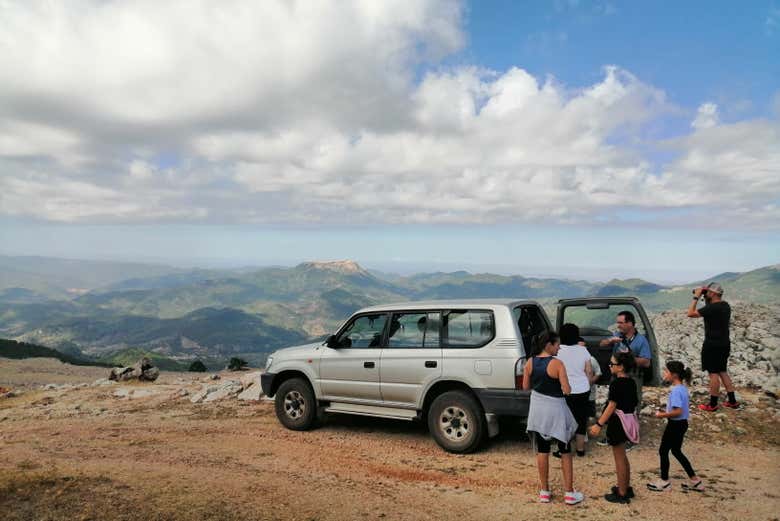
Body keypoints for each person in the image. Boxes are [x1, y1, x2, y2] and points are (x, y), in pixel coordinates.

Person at [522, 331, 584, 505]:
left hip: (538, 409)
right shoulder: (557, 363)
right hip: (556, 409)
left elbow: (525, 386)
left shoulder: (530, 362)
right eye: (557, 345)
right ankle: (569, 493)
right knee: (565, 450)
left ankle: (544, 491)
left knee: (542, 450)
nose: (559, 348)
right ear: (549, 345)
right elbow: (567, 389)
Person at [589, 351, 639, 504]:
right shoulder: (631, 382)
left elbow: (612, 405)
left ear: (621, 367)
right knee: (623, 456)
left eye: (612, 364)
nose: (610, 366)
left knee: (619, 458)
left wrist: (599, 424)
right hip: (628, 420)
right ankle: (626, 486)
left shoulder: (616, 383)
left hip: (617, 423)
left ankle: (621, 492)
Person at [647, 361, 704, 492]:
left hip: (675, 424)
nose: (664, 374)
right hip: (682, 424)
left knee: (663, 451)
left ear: (674, 375)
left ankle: (664, 482)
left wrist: (662, 415)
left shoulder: (676, 391)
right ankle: (695, 481)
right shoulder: (682, 388)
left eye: (666, 371)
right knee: (676, 451)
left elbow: (678, 411)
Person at [687, 282, 738, 411]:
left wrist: (696, 296)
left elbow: (690, 313)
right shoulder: (725, 305)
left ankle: (713, 404)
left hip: (712, 345)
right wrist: (706, 295)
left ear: (713, 293)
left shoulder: (712, 308)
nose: (706, 294)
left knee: (713, 374)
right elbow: (710, 308)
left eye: (708, 292)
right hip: (724, 343)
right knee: (722, 371)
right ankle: (732, 401)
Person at [553, 324, 593, 457]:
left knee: (564, 420)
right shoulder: (583, 350)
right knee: (581, 419)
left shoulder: (558, 351)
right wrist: (588, 384)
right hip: (583, 389)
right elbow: (589, 371)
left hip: (565, 390)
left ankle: (563, 448)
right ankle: (580, 449)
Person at [599, 310, 651, 405]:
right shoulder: (616, 335)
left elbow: (646, 362)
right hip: (616, 375)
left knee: (632, 403)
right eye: (617, 322)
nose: (618, 325)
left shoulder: (641, 340)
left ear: (630, 323)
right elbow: (601, 344)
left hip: (633, 376)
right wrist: (610, 341)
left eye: (620, 323)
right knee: (613, 401)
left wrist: (627, 358)